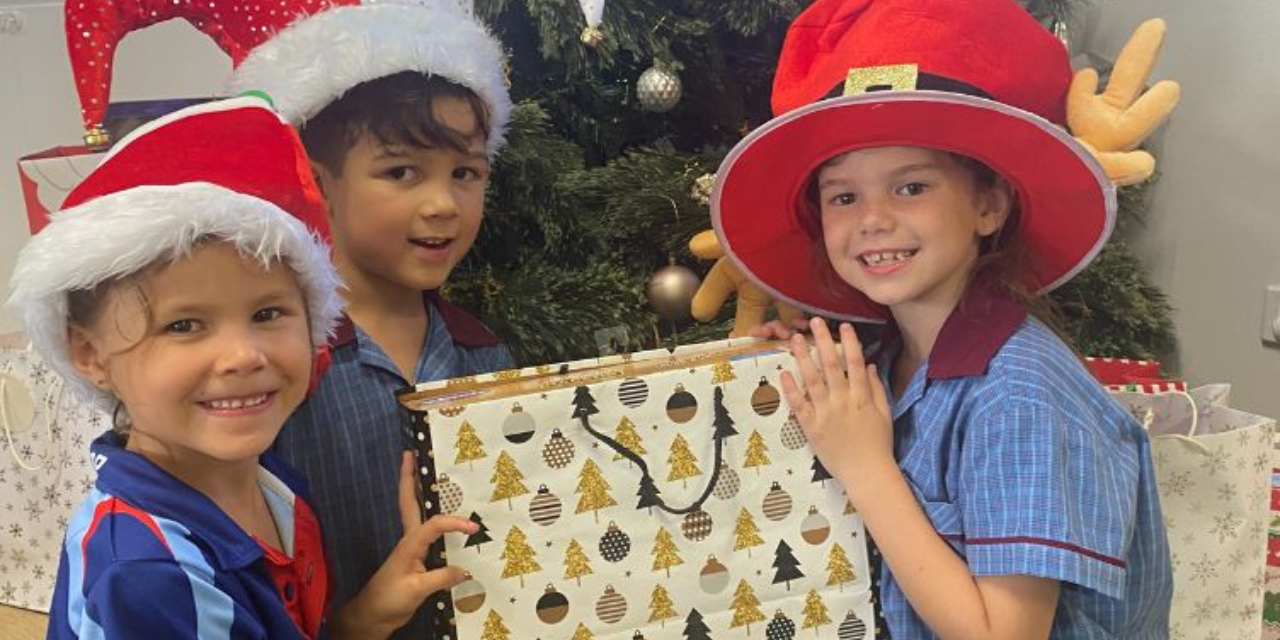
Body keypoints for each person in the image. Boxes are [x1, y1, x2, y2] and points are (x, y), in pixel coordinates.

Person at [711, 0, 1173, 638]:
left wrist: (865, 463)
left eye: (911, 187)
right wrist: (795, 371)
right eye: (843, 195)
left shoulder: (1019, 394)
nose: (872, 219)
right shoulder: (885, 358)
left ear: (989, 205)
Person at [9, 95, 476, 640]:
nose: (243, 356)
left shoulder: (273, 485)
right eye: (183, 325)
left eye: (267, 313)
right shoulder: (150, 573)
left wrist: (368, 613)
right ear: (90, 354)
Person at [222, 3, 516, 636]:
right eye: (401, 172)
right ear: (319, 182)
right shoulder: (280, 369)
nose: (443, 204)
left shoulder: (484, 355)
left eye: (466, 173)